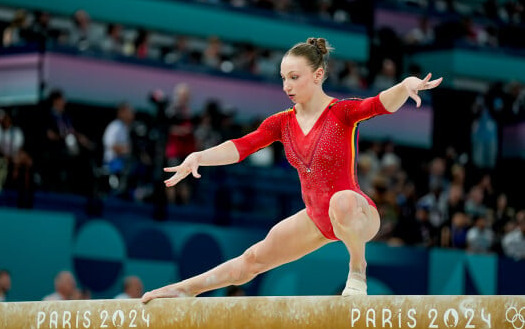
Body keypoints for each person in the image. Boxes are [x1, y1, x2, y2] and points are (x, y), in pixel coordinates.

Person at [141, 37, 442, 302]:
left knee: (342, 200)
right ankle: (184, 289)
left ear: (318, 75)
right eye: (283, 78)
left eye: (294, 77)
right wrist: (199, 157)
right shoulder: (281, 123)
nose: (286, 86)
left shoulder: (341, 112)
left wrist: (404, 86)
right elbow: (242, 146)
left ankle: (357, 268)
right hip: (316, 219)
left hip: (358, 215)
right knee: (252, 260)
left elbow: (378, 104)